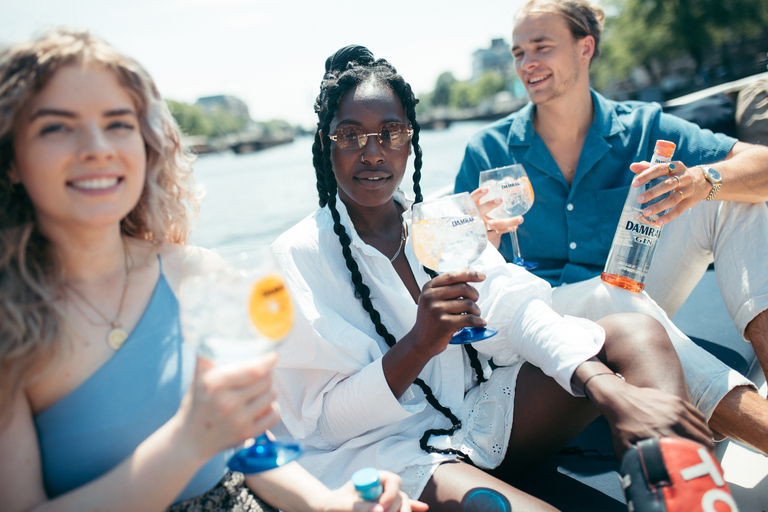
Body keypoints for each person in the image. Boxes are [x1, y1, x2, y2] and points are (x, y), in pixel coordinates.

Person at [271, 44, 715, 512]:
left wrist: (608, 389)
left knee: (637, 331)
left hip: (482, 414)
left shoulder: (442, 220)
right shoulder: (299, 256)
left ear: (410, 139)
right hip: (393, 454)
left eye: (391, 132)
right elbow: (323, 425)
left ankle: (682, 499)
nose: (374, 153)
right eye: (351, 135)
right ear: (325, 143)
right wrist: (419, 344)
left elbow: (516, 313)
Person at [0, 29, 425, 512]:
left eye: (118, 123)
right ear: (10, 159)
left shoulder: (194, 273)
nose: (97, 147)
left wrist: (329, 506)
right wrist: (185, 444)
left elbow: (248, 449)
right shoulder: (9, 325)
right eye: (57, 126)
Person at [454, 0, 768, 454]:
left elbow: (759, 166)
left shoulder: (643, 125)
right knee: (613, 292)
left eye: (542, 46)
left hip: (635, 290)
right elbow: (460, 267)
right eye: (518, 52)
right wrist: (482, 240)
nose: (527, 63)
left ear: (585, 48)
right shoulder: (488, 149)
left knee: (739, 199)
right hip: (545, 316)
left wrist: (701, 181)